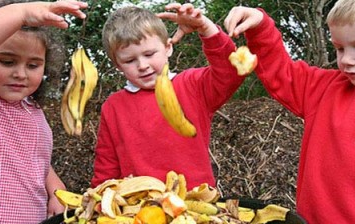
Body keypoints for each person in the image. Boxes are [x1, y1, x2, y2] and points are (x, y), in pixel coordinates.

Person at [224, 0, 355, 224]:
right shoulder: (326, 88)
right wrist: (260, 28)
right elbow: (282, 73)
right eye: (340, 49)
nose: (346, 60)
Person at [0, 0, 87, 224]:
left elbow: (32, 158)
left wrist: (56, 188)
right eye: (7, 61)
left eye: (34, 65)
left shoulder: (33, 111)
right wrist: (20, 13)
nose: (20, 73)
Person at [91, 3, 246, 190]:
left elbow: (231, 71)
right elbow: (107, 164)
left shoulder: (192, 85)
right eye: (130, 60)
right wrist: (100, 197)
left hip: (196, 202)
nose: (142, 65)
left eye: (149, 54)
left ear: (168, 48)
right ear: (118, 65)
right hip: (138, 208)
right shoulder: (113, 106)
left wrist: (206, 28)